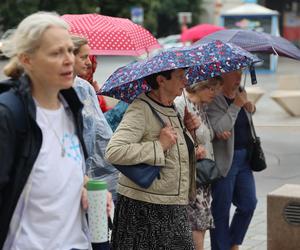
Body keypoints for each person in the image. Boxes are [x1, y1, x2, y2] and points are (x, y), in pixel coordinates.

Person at [0, 12, 91, 249]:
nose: (69, 59)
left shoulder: (72, 109)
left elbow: (57, 171)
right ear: (26, 60)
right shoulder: (9, 115)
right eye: (56, 53)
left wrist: (83, 187)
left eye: (70, 50)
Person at [105, 68, 200, 249]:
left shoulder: (172, 107)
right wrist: (159, 146)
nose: (186, 81)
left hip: (174, 205)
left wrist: (190, 131)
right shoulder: (141, 108)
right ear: (161, 80)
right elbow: (114, 151)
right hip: (145, 208)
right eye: (180, 77)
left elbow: (178, 154)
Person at [207, 70, 257, 250]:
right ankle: (221, 247)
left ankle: (233, 242)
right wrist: (236, 105)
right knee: (221, 209)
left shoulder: (241, 91)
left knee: (249, 203)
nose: (238, 77)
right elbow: (220, 128)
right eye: (234, 74)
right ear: (223, 76)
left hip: (245, 158)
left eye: (240, 72)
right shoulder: (215, 98)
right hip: (224, 160)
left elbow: (245, 119)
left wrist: (250, 107)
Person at [175, 77, 223, 250]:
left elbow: (204, 136)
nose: (214, 93)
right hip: (191, 174)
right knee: (198, 222)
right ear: (199, 86)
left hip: (202, 175)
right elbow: (176, 137)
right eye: (211, 88)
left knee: (200, 222)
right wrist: (193, 151)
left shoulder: (201, 107)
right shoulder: (181, 104)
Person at [71, 35, 118, 202]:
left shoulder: (85, 88)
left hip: (88, 174)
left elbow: (101, 133)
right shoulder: (52, 90)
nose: (89, 63)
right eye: (83, 57)